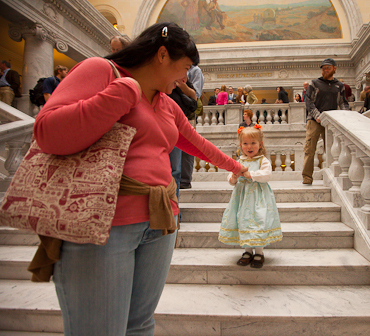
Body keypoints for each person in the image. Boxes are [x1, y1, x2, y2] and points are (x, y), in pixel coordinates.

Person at [31, 22, 247, 336]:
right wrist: (121, 94)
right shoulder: (101, 71)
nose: (184, 79)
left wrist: (236, 167)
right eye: (184, 68)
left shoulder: (166, 103)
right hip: (101, 223)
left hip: (160, 220)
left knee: (140, 326)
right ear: (162, 55)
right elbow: (47, 133)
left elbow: (196, 143)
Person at [218, 125, 282, 268]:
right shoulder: (239, 161)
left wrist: (251, 174)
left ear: (260, 144)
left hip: (258, 198)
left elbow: (266, 175)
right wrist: (234, 177)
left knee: (259, 221)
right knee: (244, 220)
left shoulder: (262, 161)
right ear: (241, 145)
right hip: (242, 198)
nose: (249, 146)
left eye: (253, 143)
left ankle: (259, 252)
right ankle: (247, 250)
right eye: (245, 143)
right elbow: (230, 178)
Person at [302, 58, 347, 185]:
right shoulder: (315, 83)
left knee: (333, 149)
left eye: (328, 68)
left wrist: (346, 116)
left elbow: (343, 103)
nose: (325, 70)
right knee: (310, 149)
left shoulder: (339, 85)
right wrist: (317, 115)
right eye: (323, 68)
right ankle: (307, 177)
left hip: (331, 121)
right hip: (314, 121)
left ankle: (335, 175)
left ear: (334, 68)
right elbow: (308, 101)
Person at [168, 77, 197, 197]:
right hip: (163, 125)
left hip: (177, 125)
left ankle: (174, 210)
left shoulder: (182, 77)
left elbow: (194, 98)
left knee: (175, 170)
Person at [183, 64, 205, 190]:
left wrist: (181, 86)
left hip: (188, 113)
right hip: (175, 110)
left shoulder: (195, 71)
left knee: (188, 145)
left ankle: (185, 179)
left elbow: (195, 95)